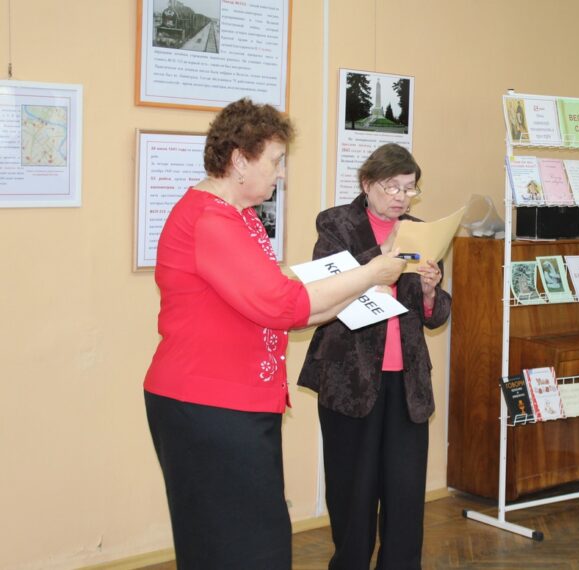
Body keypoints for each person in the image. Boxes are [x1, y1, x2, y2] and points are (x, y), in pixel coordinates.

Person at [143, 99, 406, 569]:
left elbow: (288, 302)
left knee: (249, 543)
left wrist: (362, 283)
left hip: (232, 404)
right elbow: (286, 305)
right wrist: (369, 274)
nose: (281, 173)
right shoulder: (210, 221)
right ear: (239, 160)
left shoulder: (238, 215)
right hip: (207, 407)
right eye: (275, 160)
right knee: (238, 548)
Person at [297, 143, 452, 569]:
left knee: (405, 493)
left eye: (409, 188)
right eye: (392, 187)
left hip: (407, 383)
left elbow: (437, 316)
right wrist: (383, 257)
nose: (402, 197)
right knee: (353, 492)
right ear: (367, 184)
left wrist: (429, 291)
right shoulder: (336, 224)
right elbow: (325, 285)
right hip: (350, 379)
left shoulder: (421, 232)